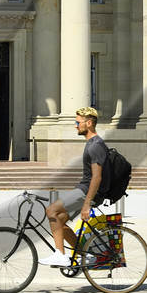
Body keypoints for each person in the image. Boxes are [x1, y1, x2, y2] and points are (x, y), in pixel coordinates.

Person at [40, 107, 110, 267]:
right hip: (85, 189)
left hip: (87, 191)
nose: (75, 126)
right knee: (60, 222)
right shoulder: (92, 143)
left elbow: (97, 176)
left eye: (78, 122)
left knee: (51, 210)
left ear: (89, 123)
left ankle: (61, 255)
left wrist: (87, 204)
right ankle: (86, 256)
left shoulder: (95, 145)